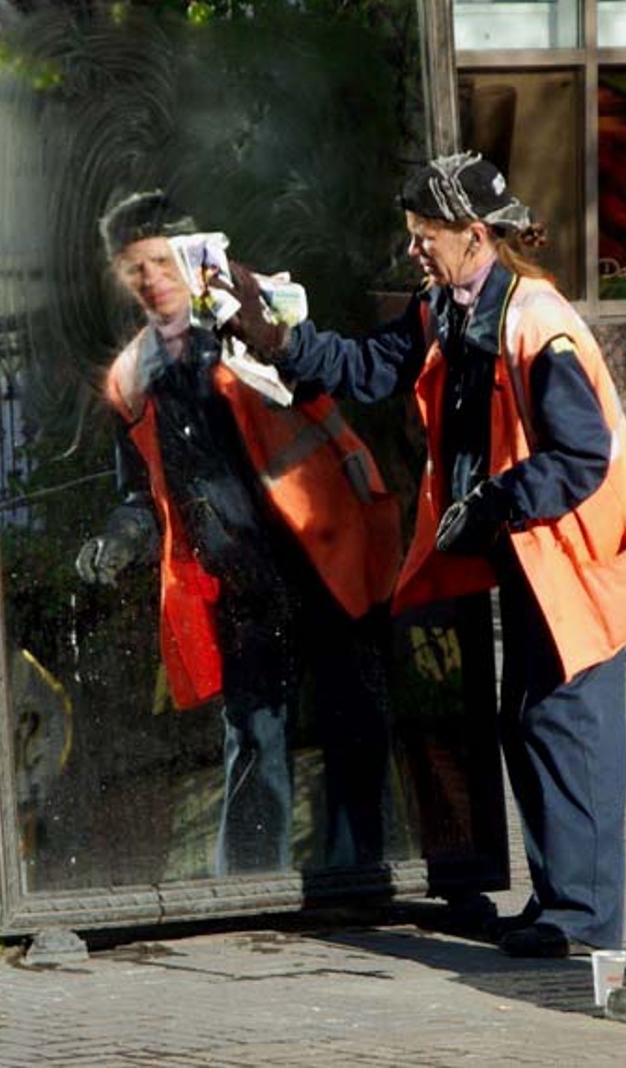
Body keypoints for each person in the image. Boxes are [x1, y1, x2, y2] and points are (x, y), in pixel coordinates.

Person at [225, 153, 626, 957]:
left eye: (423, 237)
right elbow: (370, 368)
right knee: (529, 721)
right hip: (530, 548)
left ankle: (581, 924)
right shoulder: (449, 303)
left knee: (564, 723)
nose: (413, 252)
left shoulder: (540, 324)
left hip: (579, 556)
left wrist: (498, 501)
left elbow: (582, 457)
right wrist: (277, 338)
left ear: (474, 236)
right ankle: (561, 907)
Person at [75, 190, 400, 876]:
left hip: (323, 550)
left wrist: (254, 323)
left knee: (355, 721)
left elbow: (321, 386)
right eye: (136, 267)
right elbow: (143, 491)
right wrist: (121, 537)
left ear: (196, 258)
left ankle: (362, 878)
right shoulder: (133, 378)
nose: (152, 278)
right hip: (245, 579)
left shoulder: (252, 318)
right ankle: (250, 890)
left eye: (163, 260)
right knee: (255, 737)